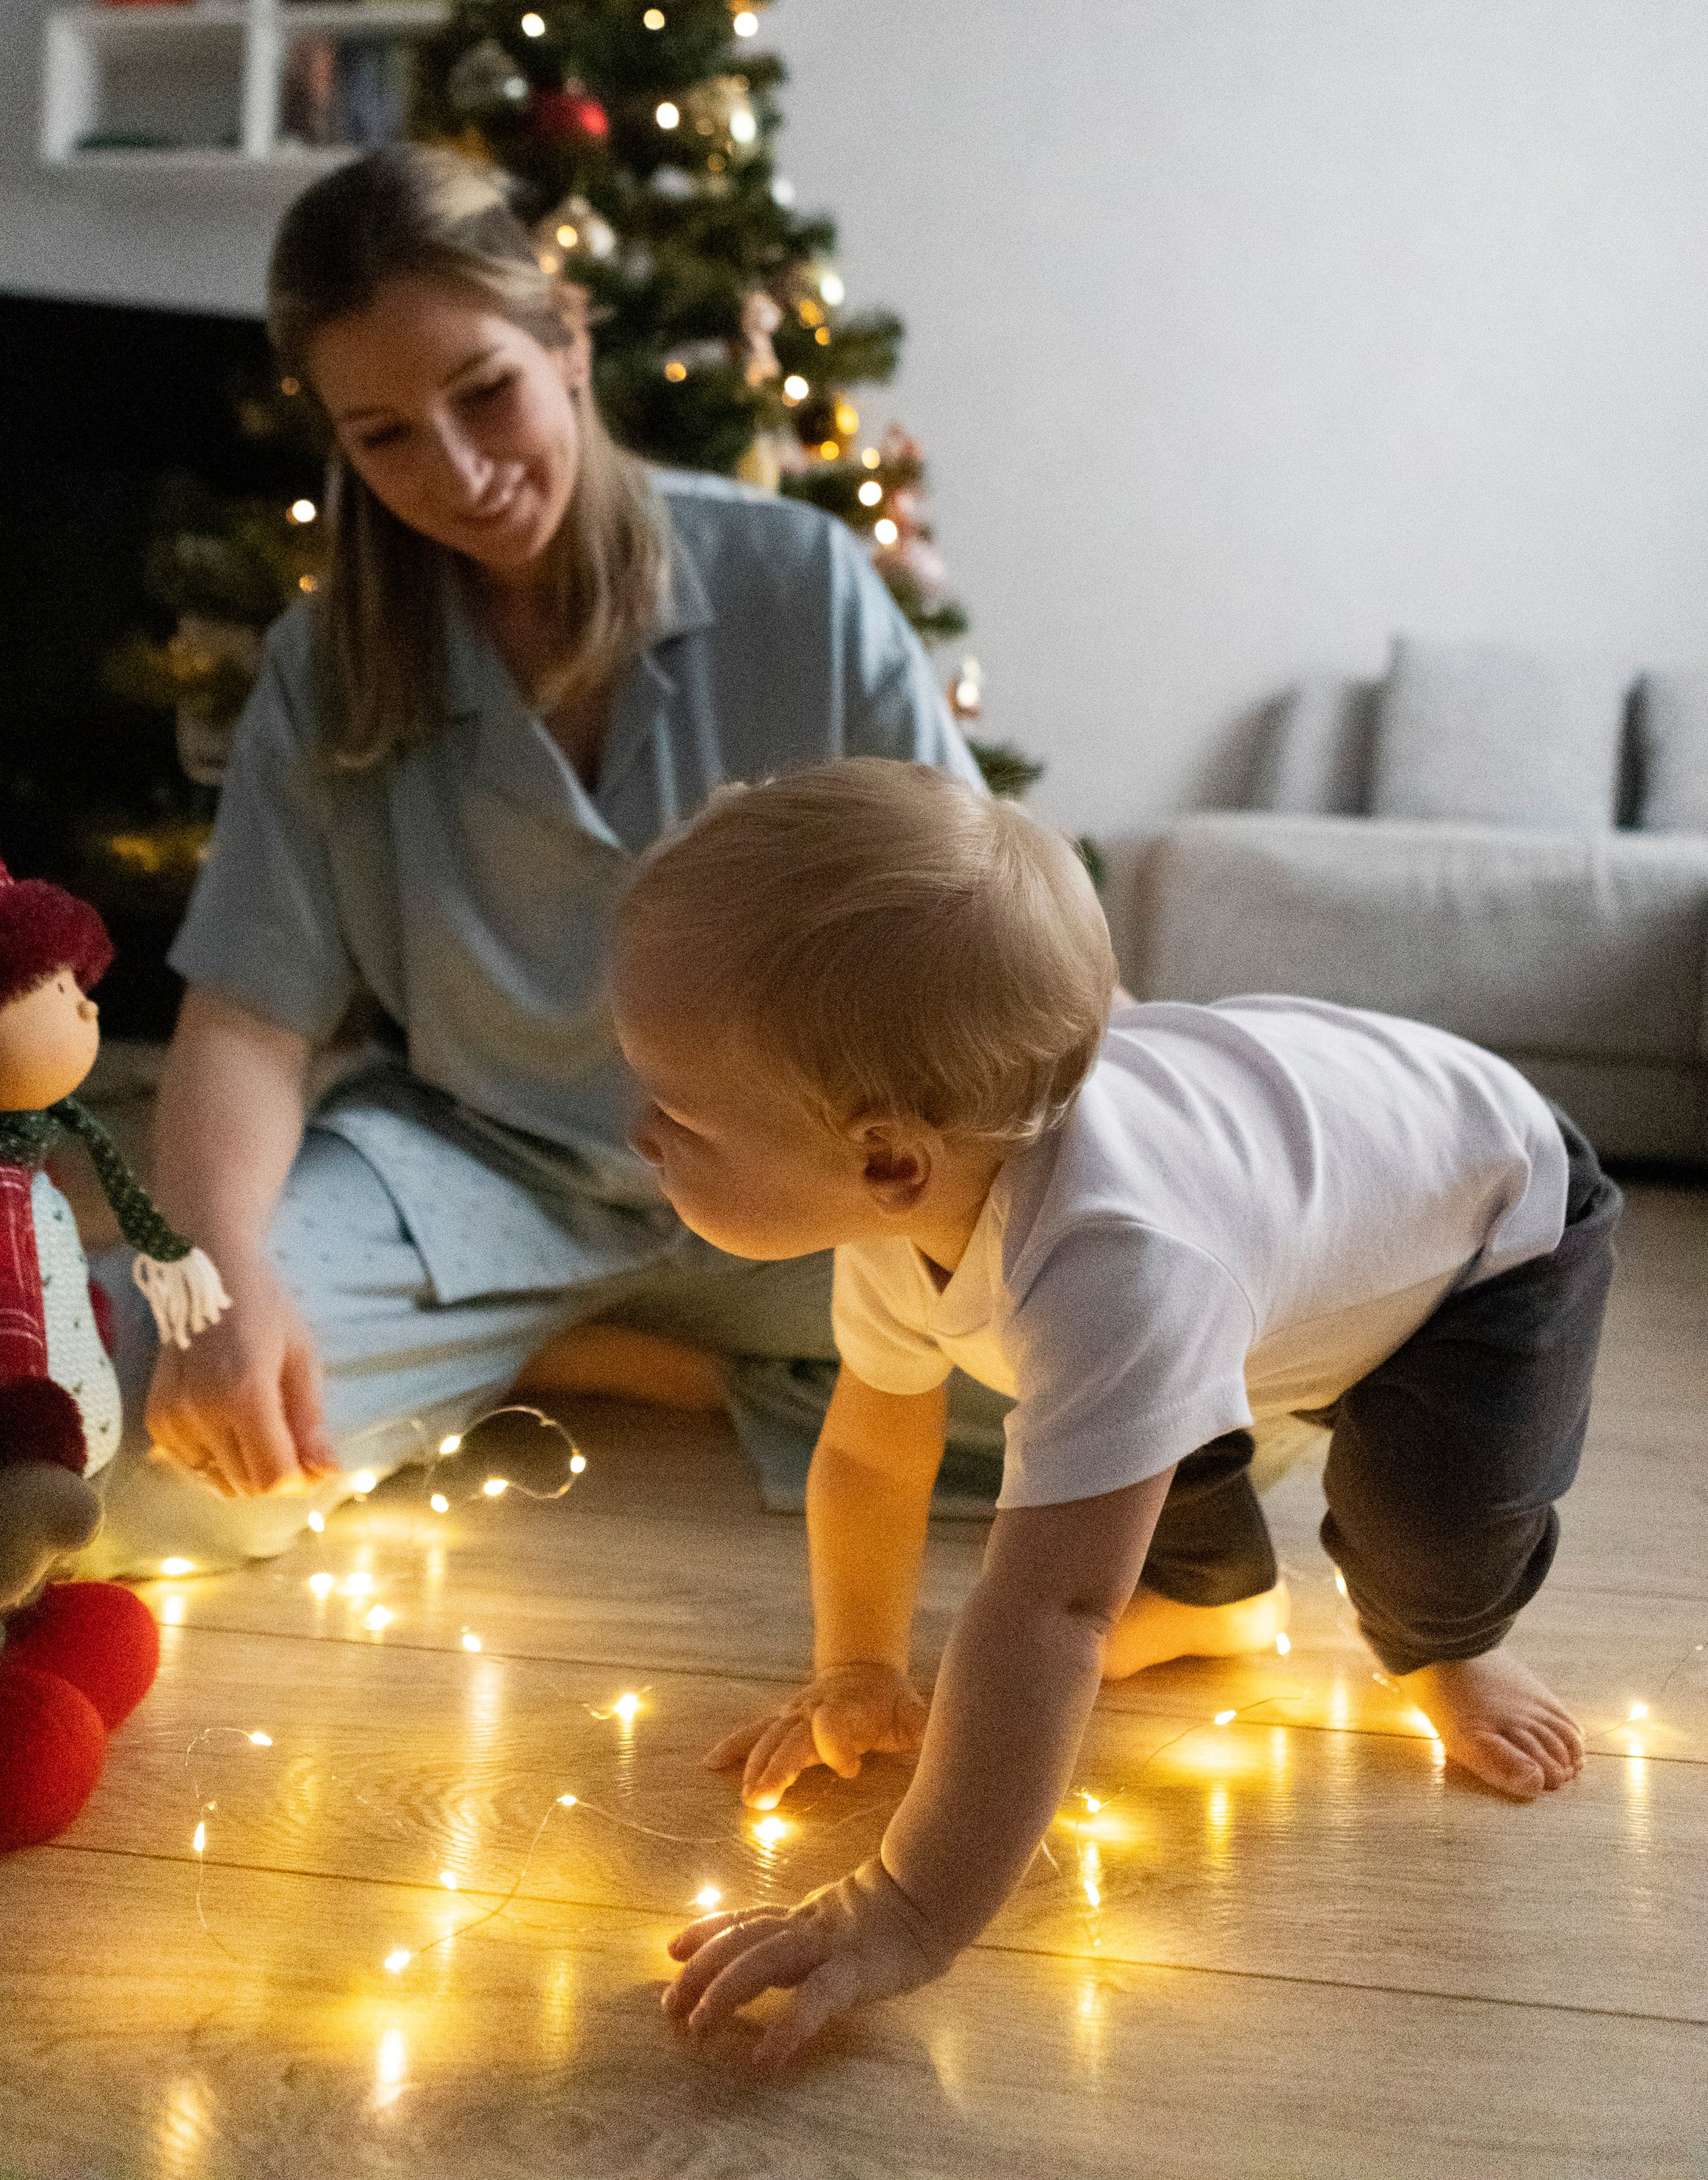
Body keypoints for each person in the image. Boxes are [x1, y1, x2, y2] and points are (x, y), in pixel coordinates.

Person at [608, 758, 1618, 2071]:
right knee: (1101, 1427)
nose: (639, 1135)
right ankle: (1214, 1598)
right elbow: (871, 1449)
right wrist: (858, 1667)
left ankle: (1455, 1639)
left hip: (1486, 1213)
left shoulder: (1118, 1264)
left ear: (890, 1158)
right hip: (1272, 1217)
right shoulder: (910, 1200)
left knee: (1423, 1519)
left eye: (677, 1114)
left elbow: (1052, 1613)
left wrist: (905, 1908)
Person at [90, 147, 983, 1574]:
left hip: (804, 1187)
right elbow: (248, 1021)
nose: (453, 475)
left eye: (483, 393)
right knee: (140, 1426)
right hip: (476, 1185)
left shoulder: (792, 581)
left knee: (1142, 1390)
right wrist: (221, 1281)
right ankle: (583, 1340)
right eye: (381, 436)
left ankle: (625, 1356)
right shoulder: (326, 673)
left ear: (563, 339)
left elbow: (967, 929)